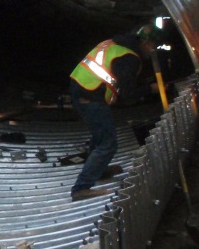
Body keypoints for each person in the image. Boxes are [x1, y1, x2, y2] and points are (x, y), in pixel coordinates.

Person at [68, 25, 161, 200]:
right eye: (153, 46)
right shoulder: (129, 58)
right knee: (107, 144)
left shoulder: (114, 44)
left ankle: (99, 170)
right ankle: (81, 187)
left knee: (99, 135)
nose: (153, 51)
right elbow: (128, 95)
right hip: (90, 96)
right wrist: (150, 89)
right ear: (146, 43)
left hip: (81, 88)